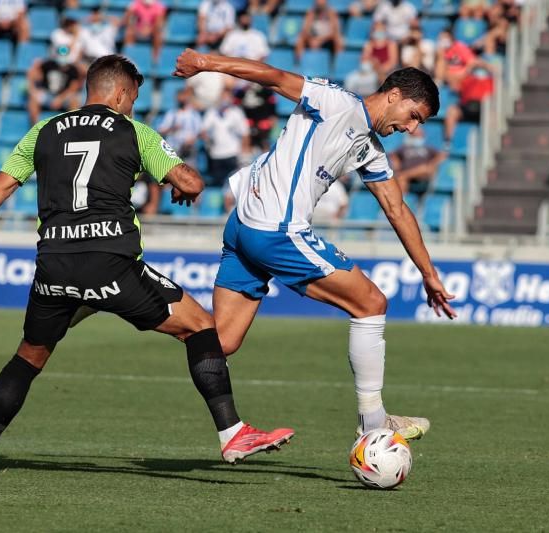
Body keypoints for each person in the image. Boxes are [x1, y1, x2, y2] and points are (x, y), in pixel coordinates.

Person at [0, 55, 294, 476]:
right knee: (201, 327)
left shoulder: (42, 131)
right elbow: (191, 182)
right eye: (133, 95)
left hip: (54, 267)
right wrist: (175, 183)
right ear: (118, 93)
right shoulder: (133, 132)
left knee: (29, 356)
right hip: (111, 263)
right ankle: (232, 433)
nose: (133, 103)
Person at [173, 50, 457, 440]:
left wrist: (429, 274)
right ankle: (373, 424)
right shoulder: (334, 102)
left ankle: (132, 301)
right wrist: (206, 63)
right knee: (371, 303)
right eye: (414, 116)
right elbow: (271, 76)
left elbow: (397, 208)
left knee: (221, 341)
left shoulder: (368, 148)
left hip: (241, 226)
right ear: (394, 95)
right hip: (275, 230)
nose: (412, 128)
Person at [201, 90, 251, 186]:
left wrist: (244, 152)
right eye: (222, 97)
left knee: (233, 184)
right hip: (216, 154)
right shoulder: (212, 112)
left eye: (226, 97)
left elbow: (245, 133)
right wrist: (208, 139)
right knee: (218, 184)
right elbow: (203, 130)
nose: (224, 100)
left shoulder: (237, 112)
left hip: (233, 153)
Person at [27, 45, 84, 124]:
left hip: (64, 97)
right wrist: (33, 89)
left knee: (74, 102)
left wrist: (60, 99)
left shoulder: (72, 69)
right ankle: (35, 128)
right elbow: (33, 74)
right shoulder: (48, 64)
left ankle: (73, 128)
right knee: (33, 101)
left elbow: (73, 88)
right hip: (48, 95)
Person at [390, 127, 445, 193]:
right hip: (407, 176)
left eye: (420, 134)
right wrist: (396, 164)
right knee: (401, 180)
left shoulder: (428, 147)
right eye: (416, 134)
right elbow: (393, 155)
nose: (419, 136)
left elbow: (441, 156)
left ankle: (405, 175)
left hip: (422, 174)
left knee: (424, 169)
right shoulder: (403, 147)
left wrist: (433, 163)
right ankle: (402, 201)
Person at [157, 87, 202, 160]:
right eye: (179, 97)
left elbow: (199, 131)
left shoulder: (194, 114)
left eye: (183, 97)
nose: (181, 99)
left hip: (188, 149)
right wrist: (172, 128)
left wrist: (191, 140)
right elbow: (161, 131)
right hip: (173, 150)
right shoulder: (171, 113)